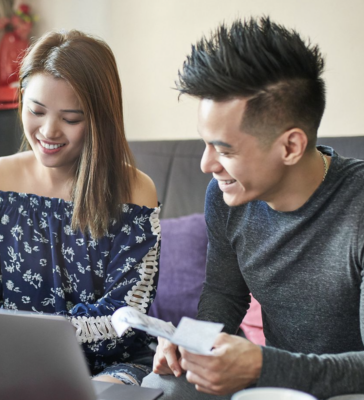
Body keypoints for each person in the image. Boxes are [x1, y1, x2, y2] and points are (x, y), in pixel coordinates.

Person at [142, 17, 364, 399]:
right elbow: (223, 297)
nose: (207, 165)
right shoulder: (226, 197)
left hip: (348, 387)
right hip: (274, 381)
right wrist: (188, 344)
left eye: (225, 150)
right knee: (164, 386)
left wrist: (262, 364)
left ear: (290, 146)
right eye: (206, 144)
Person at [0, 30, 161, 386]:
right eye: (36, 110)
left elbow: (125, 316)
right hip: (10, 360)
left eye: (71, 119)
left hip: (110, 367)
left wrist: (26, 336)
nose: (48, 131)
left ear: (100, 120)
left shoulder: (135, 189)